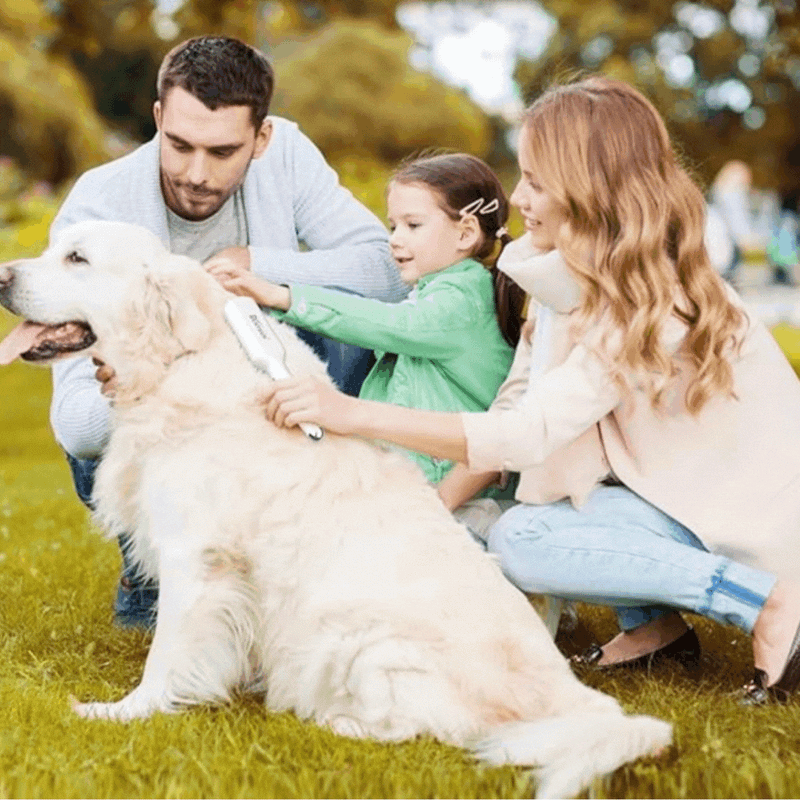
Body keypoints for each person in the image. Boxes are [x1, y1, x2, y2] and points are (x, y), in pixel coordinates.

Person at [261, 75, 800, 706]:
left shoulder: (648, 300)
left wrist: (352, 414)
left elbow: (526, 435)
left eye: (536, 182)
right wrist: (431, 509)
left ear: (588, 190)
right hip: (672, 495)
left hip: (748, 515)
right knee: (535, 513)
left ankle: (767, 602)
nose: (517, 197)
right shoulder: (568, 282)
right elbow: (513, 407)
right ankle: (654, 630)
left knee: (527, 539)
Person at [48, 35, 407, 627]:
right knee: (109, 417)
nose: (196, 174)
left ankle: (310, 557)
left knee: (342, 320)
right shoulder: (100, 206)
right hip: (171, 423)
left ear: (261, 138)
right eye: (179, 145)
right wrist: (147, 371)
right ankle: (152, 573)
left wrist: (259, 268)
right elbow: (78, 428)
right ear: (158, 117)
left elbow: (388, 273)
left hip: (267, 406)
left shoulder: (286, 156)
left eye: (222, 152)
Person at [206, 153, 520, 485]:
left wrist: (281, 295)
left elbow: (390, 322)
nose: (395, 239)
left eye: (413, 225)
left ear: (466, 234)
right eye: (393, 226)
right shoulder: (436, 293)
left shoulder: (464, 299)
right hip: (410, 480)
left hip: (453, 493)